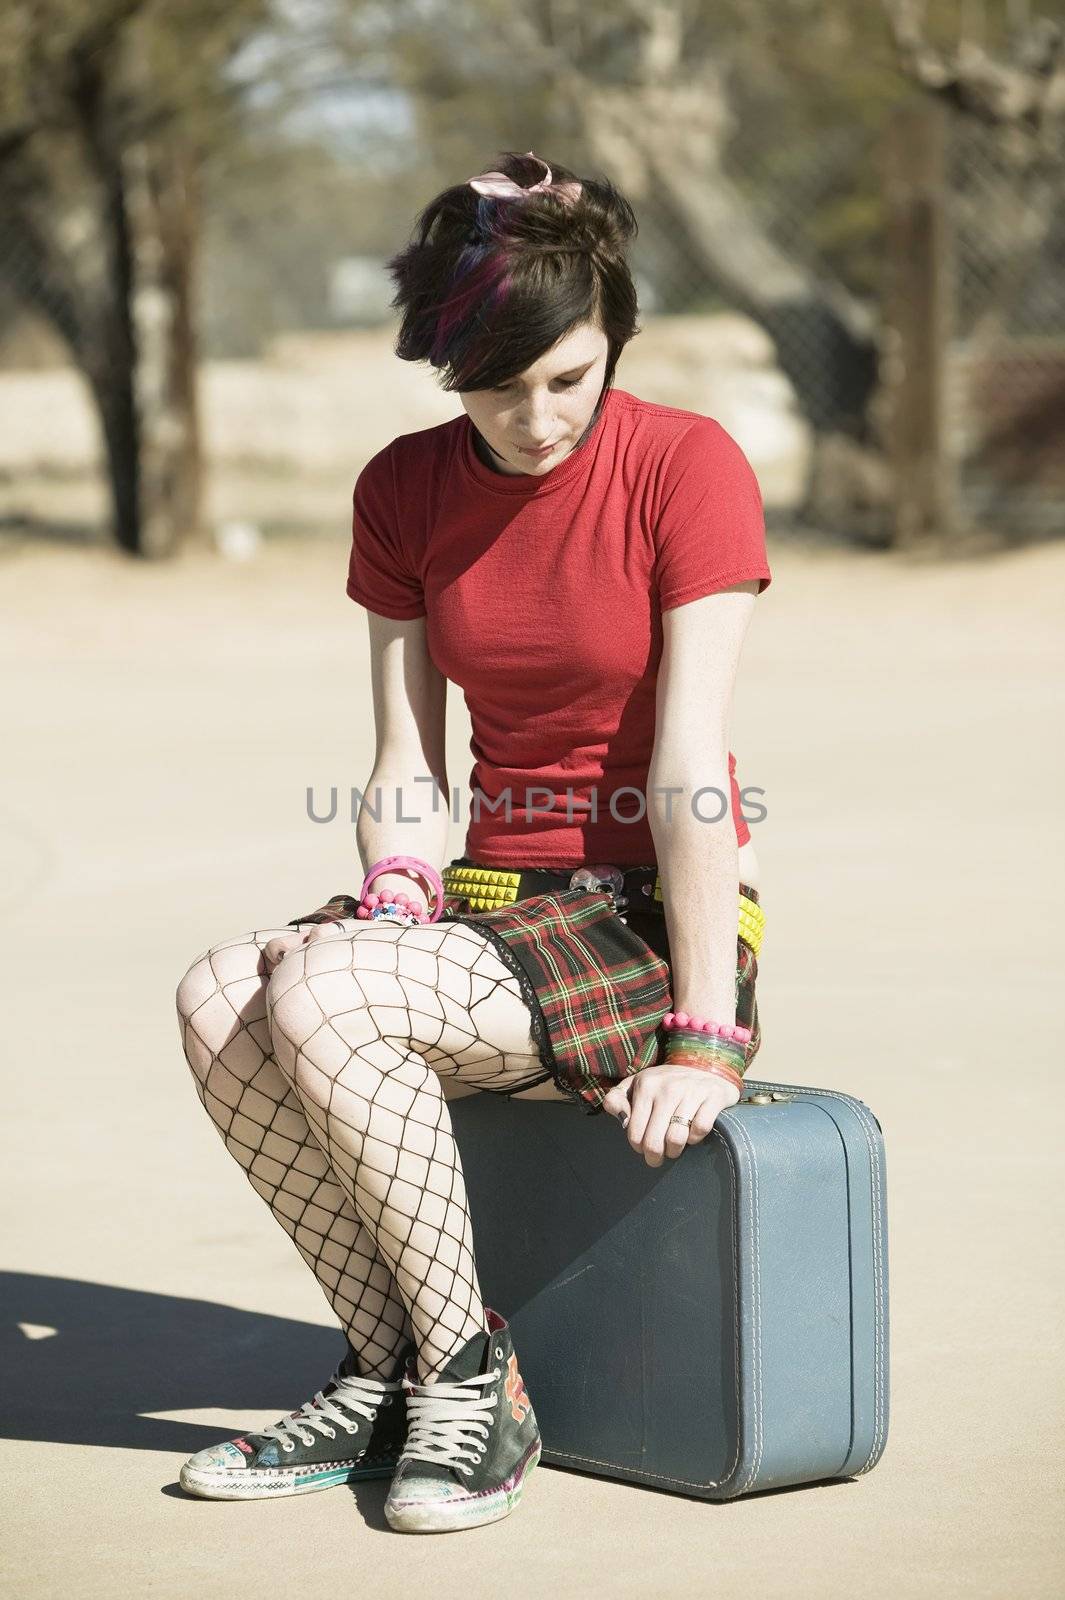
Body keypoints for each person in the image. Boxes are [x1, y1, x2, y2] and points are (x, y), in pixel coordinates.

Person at [174, 149, 771, 1534]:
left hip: (639, 919)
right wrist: (395, 887)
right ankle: (384, 1366)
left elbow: (688, 771)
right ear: (443, 369)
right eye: (497, 387)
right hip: (488, 909)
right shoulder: (403, 491)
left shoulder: (686, 463)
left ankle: (469, 1378)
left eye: (569, 377)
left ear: (611, 339)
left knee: (322, 995)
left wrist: (706, 1031)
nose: (538, 416)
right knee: (219, 993)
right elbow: (402, 763)